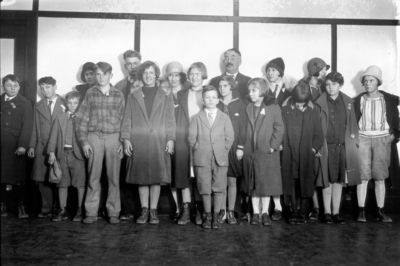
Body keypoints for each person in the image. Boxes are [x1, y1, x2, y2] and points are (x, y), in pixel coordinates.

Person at [121, 61, 176, 225]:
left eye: (151, 72)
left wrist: (171, 139)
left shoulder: (165, 94)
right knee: (142, 177)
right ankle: (144, 210)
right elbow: (127, 119)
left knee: (156, 177)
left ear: (156, 75)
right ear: (141, 75)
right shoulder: (133, 95)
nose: (148, 76)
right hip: (139, 142)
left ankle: (153, 211)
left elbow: (170, 119)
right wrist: (126, 139)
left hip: (159, 141)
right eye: (145, 73)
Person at [75, 62, 125, 224]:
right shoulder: (90, 94)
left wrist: (123, 142)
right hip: (94, 137)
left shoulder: (119, 95)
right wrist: (84, 142)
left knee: (113, 177)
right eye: (98, 74)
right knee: (93, 177)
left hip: (114, 138)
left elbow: (125, 120)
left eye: (104, 74)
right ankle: (90, 212)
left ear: (111, 75)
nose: (101, 77)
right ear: (95, 76)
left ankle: (113, 212)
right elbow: (81, 119)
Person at [354, 65, 399, 223]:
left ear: (378, 82)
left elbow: (396, 122)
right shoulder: (358, 100)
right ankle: (361, 211)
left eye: (371, 80)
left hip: (382, 140)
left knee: (380, 177)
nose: (367, 83)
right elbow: (353, 122)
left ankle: (380, 210)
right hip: (363, 140)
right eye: (365, 81)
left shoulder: (389, 100)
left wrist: (391, 138)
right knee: (363, 176)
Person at [314, 72, 361, 224]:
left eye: (334, 84)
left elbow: (353, 124)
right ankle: (326, 213)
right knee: (326, 180)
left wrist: (354, 145)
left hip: (342, 147)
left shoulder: (348, 102)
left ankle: (336, 213)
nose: (330, 87)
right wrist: (316, 147)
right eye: (327, 84)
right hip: (326, 147)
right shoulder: (319, 102)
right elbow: (315, 127)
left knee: (339, 180)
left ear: (340, 85)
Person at [238, 78, 284, 226]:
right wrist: (242, 148)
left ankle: (264, 212)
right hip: (251, 152)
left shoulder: (273, 107)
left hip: (267, 152)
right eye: (249, 91)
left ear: (262, 91)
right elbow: (243, 129)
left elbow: (279, 127)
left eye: (254, 90)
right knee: (253, 183)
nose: (250, 93)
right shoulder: (247, 107)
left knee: (266, 183)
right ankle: (255, 213)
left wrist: (273, 146)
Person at [188, 85, 234, 229]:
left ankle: (216, 216)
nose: (211, 100)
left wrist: (223, 149)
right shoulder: (196, 118)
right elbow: (191, 138)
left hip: (220, 158)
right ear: (202, 100)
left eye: (214, 97)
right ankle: (207, 216)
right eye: (207, 97)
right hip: (202, 158)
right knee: (204, 187)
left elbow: (230, 137)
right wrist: (198, 148)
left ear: (218, 99)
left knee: (219, 187)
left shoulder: (224, 117)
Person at [281, 82, 324, 224]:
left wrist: (313, 149)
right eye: (298, 103)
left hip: (305, 155)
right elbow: (280, 130)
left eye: (303, 103)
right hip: (289, 153)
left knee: (305, 183)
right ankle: (293, 212)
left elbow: (318, 135)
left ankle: (302, 213)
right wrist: (281, 145)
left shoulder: (312, 112)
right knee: (291, 183)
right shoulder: (285, 110)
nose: (300, 106)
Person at [174, 62, 208, 225]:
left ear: (203, 75)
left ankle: (200, 210)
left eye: (198, 73)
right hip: (184, 139)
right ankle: (186, 210)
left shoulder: (209, 93)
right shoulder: (182, 94)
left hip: (202, 139)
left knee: (201, 174)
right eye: (192, 73)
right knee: (184, 174)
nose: (194, 76)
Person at [28, 77, 66, 218]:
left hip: (59, 145)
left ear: (55, 87)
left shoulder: (66, 103)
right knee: (42, 179)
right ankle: (46, 207)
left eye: (48, 87)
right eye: (42, 88)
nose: (45, 90)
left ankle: (59, 208)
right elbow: (34, 128)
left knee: (58, 177)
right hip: (42, 146)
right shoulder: (38, 106)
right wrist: (32, 146)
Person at [264, 57, 295, 221]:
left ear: (280, 72)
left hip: (286, 135)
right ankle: (275, 207)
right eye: (268, 70)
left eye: (273, 70)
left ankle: (287, 206)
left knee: (286, 172)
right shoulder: (262, 89)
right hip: (268, 136)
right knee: (271, 172)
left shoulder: (290, 90)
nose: (270, 73)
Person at [47, 91, 86, 222]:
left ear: (80, 104)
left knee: (80, 184)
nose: (72, 105)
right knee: (62, 184)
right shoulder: (60, 118)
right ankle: (62, 210)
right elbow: (53, 136)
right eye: (70, 102)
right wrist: (52, 152)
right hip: (62, 154)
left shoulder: (84, 117)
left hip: (78, 156)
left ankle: (80, 210)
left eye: (76, 102)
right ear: (66, 103)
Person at [299, 57, 330, 220]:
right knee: (309, 173)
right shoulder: (302, 87)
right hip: (306, 135)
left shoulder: (326, 87)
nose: (325, 72)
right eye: (323, 69)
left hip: (322, 133)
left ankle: (322, 209)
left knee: (321, 172)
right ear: (314, 70)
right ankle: (313, 208)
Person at [1, 74, 33, 218]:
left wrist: (23, 146)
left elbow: (27, 126)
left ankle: (21, 206)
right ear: (3, 87)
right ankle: (2, 205)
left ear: (19, 87)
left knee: (18, 176)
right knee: (1, 175)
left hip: (16, 144)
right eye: (9, 85)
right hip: (1, 143)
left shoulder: (25, 103)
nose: (12, 89)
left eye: (15, 86)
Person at [216, 75, 246, 224]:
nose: (222, 89)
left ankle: (231, 211)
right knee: (221, 180)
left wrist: (240, 147)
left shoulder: (240, 104)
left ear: (232, 87)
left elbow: (243, 127)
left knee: (232, 181)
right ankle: (221, 211)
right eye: (220, 86)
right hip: (219, 146)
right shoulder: (216, 103)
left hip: (234, 147)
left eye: (225, 86)